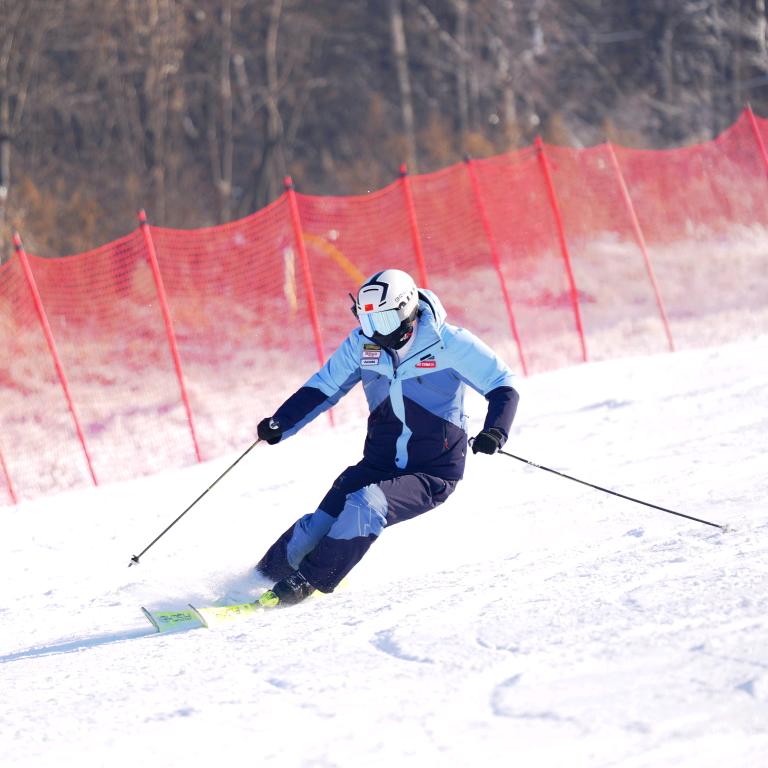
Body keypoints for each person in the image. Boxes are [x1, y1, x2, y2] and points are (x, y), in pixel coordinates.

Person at [254, 268, 519, 606]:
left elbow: (503, 383)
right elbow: (324, 387)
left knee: (366, 505)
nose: (374, 332)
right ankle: (261, 577)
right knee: (317, 526)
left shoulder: (448, 342)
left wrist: (495, 430)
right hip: (378, 462)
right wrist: (282, 422)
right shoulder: (363, 345)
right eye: (367, 322)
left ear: (406, 310)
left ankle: (306, 583)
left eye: (382, 321)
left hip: (432, 471)